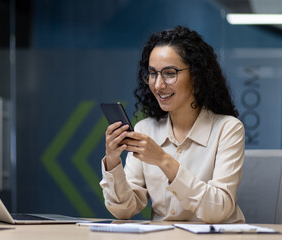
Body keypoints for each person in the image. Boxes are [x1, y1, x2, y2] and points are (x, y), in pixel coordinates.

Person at [100, 26, 245, 223]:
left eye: (169, 73)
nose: (158, 85)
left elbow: (218, 210)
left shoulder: (228, 129)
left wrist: (162, 160)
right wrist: (112, 161)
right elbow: (124, 210)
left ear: (196, 75)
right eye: (152, 73)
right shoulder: (145, 129)